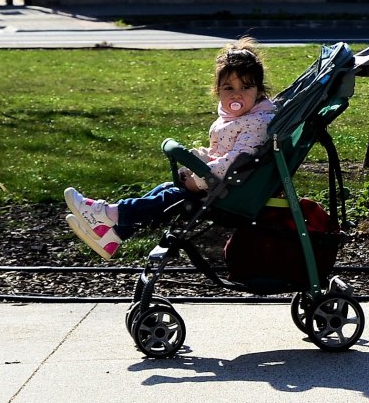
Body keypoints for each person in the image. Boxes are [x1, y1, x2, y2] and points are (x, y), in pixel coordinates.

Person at [63, 38, 277, 259]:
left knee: (172, 198)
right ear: (217, 91)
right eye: (228, 88)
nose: (236, 95)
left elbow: (236, 161)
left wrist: (199, 179)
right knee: (164, 191)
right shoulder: (239, 118)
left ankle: (107, 213)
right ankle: (113, 235)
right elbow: (222, 154)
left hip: (227, 193)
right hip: (220, 186)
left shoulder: (256, 122)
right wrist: (198, 160)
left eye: (246, 87)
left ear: (259, 91)